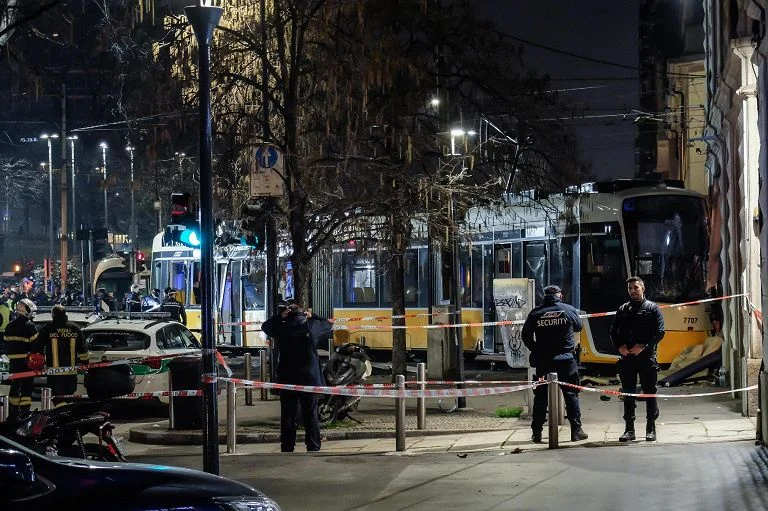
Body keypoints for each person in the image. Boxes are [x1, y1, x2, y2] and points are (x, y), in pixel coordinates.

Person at [521, 285, 588, 443]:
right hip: (566, 360)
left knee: (541, 396)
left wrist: (536, 349)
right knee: (571, 394)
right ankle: (576, 431)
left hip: (544, 361)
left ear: (544, 296)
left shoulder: (536, 313)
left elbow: (525, 335)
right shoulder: (568, 309)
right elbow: (579, 326)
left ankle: (537, 432)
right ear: (560, 296)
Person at [261, 302, 331, 452]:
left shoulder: (282, 328)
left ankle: (287, 446)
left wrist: (280, 317)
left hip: (287, 377)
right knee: (310, 413)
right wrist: (313, 315)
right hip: (309, 377)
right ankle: (313, 445)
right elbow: (328, 323)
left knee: (288, 414)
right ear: (303, 313)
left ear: (288, 313)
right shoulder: (311, 326)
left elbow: (265, 326)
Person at [610, 276, 665, 442]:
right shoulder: (623, 309)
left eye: (636, 287)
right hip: (628, 358)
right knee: (628, 394)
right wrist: (619, 347)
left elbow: (660, 332)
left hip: (646, 357)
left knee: (649, 393)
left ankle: (651, 428)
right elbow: (613, 332)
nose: (633, 291)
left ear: (643, 288)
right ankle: (629, 429)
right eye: (630, 288)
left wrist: (643, 346)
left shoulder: (652, 308)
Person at [32, 304, 89, 407]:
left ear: (53, 314)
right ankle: (67, 413)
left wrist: (38, 364)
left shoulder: (48, 328)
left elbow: (37, 347)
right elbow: (83, 349)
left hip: (55, 373)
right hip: (71, 372)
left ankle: (62, 414)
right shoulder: (74, 328)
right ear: (65, 314)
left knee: (58, 398)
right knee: (68, 397)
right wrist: (85, 363)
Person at [2, 299, 38, 419]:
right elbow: (36, 345)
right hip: (26, 362)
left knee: (15, 386)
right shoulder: (29, 325)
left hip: (13, 363)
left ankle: (13, 414)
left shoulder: (10, 326)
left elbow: (5, 345)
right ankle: (24, 414)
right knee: (26, 389)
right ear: (28, 310)